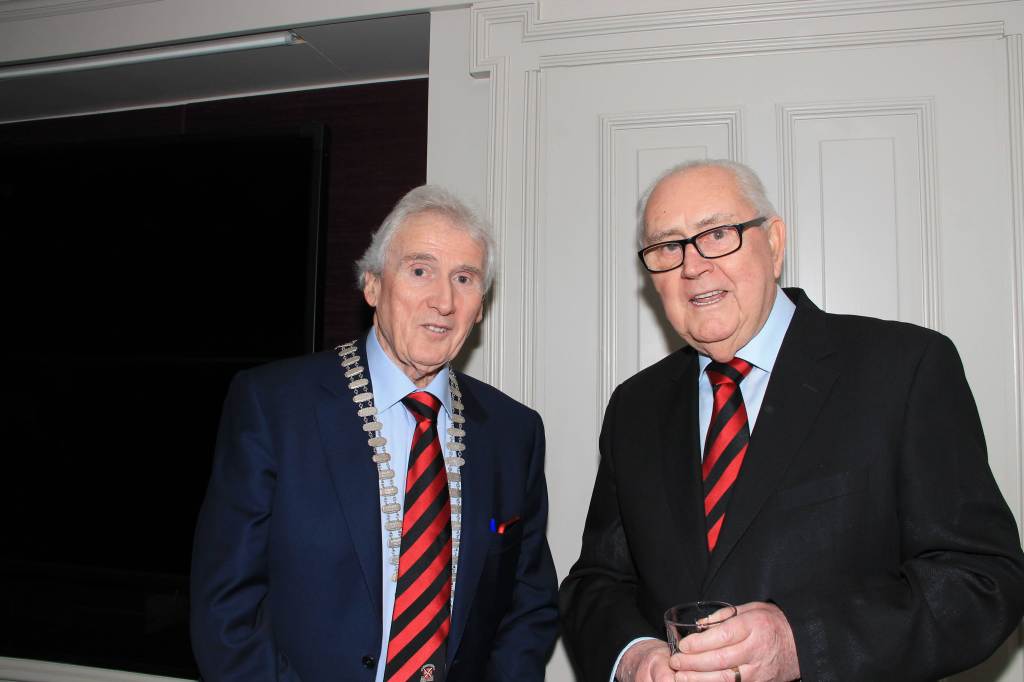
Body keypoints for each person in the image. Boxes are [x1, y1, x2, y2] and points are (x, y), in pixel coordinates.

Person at [559, 159, 1024, 682]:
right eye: (668, 247)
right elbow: (597, 581)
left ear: (774, 243)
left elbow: (983, 581)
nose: (693, 265)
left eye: (717, 234)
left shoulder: (904, 368)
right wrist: (634, 657)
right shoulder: (634, 407)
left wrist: (801, 641)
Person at [191, 185, 558, 682]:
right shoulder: (275, 407)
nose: (444, 301)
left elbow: (528, 605)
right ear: (372, 286)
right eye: (420, 270)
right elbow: (226, 610)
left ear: (480, 306)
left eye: (464, 278)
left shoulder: (513, 432)